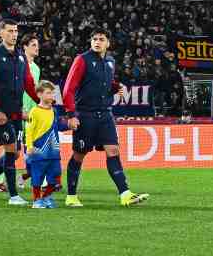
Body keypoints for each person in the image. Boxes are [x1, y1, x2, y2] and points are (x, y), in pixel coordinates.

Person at [61, 29, 148, 207]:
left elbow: (105, 83)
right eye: (94, 39)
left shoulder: (110, 61)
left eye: (101, 39)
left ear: (108, 43)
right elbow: (68, 89)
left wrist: (115, 87)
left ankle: (125, 194)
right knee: (79, 155)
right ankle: (71, 196)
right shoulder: (82, 60)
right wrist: (71, 115)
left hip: (105, 114)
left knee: (113, 150)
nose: (97, 42)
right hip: (85, 114)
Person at [0, 18, 38, 205]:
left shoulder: (20, 56)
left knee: (15, 153)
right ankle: (13, 196)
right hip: (2, 114)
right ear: (1, 33)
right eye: (10, 31)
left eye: (16, 31)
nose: (14, 35)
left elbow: (28, 83)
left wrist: (41, 101)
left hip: (16, 113)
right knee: (11, 150)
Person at [25, 79, 74, 209]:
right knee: (37, 177)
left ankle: (46, 197)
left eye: (52, 93)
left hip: (54, 152)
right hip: (38, 151)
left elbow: (58, 126)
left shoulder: (54, 111)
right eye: (48, 93)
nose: (51, 96)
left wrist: (69, 125)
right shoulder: (34, 111)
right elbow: (29, 130)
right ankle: (36, 200)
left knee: (56, 175)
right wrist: (29, 146)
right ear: (39, 94)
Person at [18, 34, 42, 191]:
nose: (37, 48)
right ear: (25, 47)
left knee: (31, 146)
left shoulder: (36, 68)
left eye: (37, 45)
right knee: (12, 149)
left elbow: (34, 92)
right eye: (33, 45)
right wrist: (20, 108)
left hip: (31, 114)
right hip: (19, 112)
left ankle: (30, 177)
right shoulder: (19, 64)